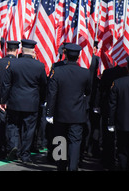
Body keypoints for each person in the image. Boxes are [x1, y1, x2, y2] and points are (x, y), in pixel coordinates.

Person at [46, 43, 92, 171]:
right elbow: (88, 91)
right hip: (77, 114)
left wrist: (49, 112)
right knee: (75, 142)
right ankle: (73, 167)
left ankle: (60, 167)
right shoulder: (85, 73)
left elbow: (52, 93)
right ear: (78, 56)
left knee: (60, 140)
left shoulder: (57, 71)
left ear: (65, 54)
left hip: (60, 113)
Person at [0, 39, 47, 164]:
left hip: (15, 100)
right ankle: (25, 155)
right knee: (29, 129)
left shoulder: (13, 63)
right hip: (32, 102)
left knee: (13, 125)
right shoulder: (40, 65)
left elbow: (6, 84)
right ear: (33, 51)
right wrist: (42, 101)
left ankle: (14, 145)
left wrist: (3, 100)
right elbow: (44, 85)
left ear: (21, 50)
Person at [0, 39, 19, 159]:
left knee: (1, 123)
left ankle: (2, 149)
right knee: (13, 124)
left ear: (6, 49)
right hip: (15, 99)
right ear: (17, 50)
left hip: (0, 98)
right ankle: (12, 147)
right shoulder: (19, 64)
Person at [108, 55, 129, 171]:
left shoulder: (118, 83)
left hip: (122, 123)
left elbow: (112, 105)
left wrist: (111, 122)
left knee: (122, 150)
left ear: (127, 67)